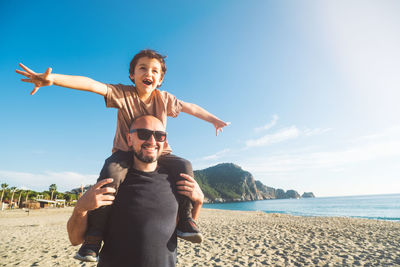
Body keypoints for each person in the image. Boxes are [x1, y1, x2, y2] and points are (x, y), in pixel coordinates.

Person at [16, 49, 229, 261]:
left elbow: (190, 107)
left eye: (155, 70)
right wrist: (53, 78)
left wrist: (213, 120)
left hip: (160, 154)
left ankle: (185, 220)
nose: (149, 73)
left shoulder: (164, 99)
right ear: (132, 75)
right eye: (143, 68)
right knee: (109, 177)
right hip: (122, 154)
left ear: (160, 79)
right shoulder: (122, 93)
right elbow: (91, 84)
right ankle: (93, 238)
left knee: (185, 166)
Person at [67, 115, 205, 266]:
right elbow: (75, 239)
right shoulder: (113, 183)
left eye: (159, 136)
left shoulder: (175, 180)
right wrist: (80, 208)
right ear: (129, 139)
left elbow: (179, 228)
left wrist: (198, 203)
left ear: (164, 141)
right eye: (143, 134)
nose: (152, 141)